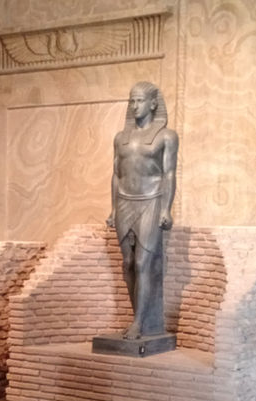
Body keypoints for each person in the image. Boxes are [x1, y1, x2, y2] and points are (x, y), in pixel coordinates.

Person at [106, 81, 178, 340]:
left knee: (142, 263)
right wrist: (114, 209)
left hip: (151, 201)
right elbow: (116, 175)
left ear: (153, 104)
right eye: (132, 101)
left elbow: (169, 174)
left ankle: (139, 323)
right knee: (127, 263)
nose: (135, 106)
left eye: (140, 101)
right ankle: (139, 316)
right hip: (125, 201)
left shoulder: (166, 136)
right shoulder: (120, 138)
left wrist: (166, 209)